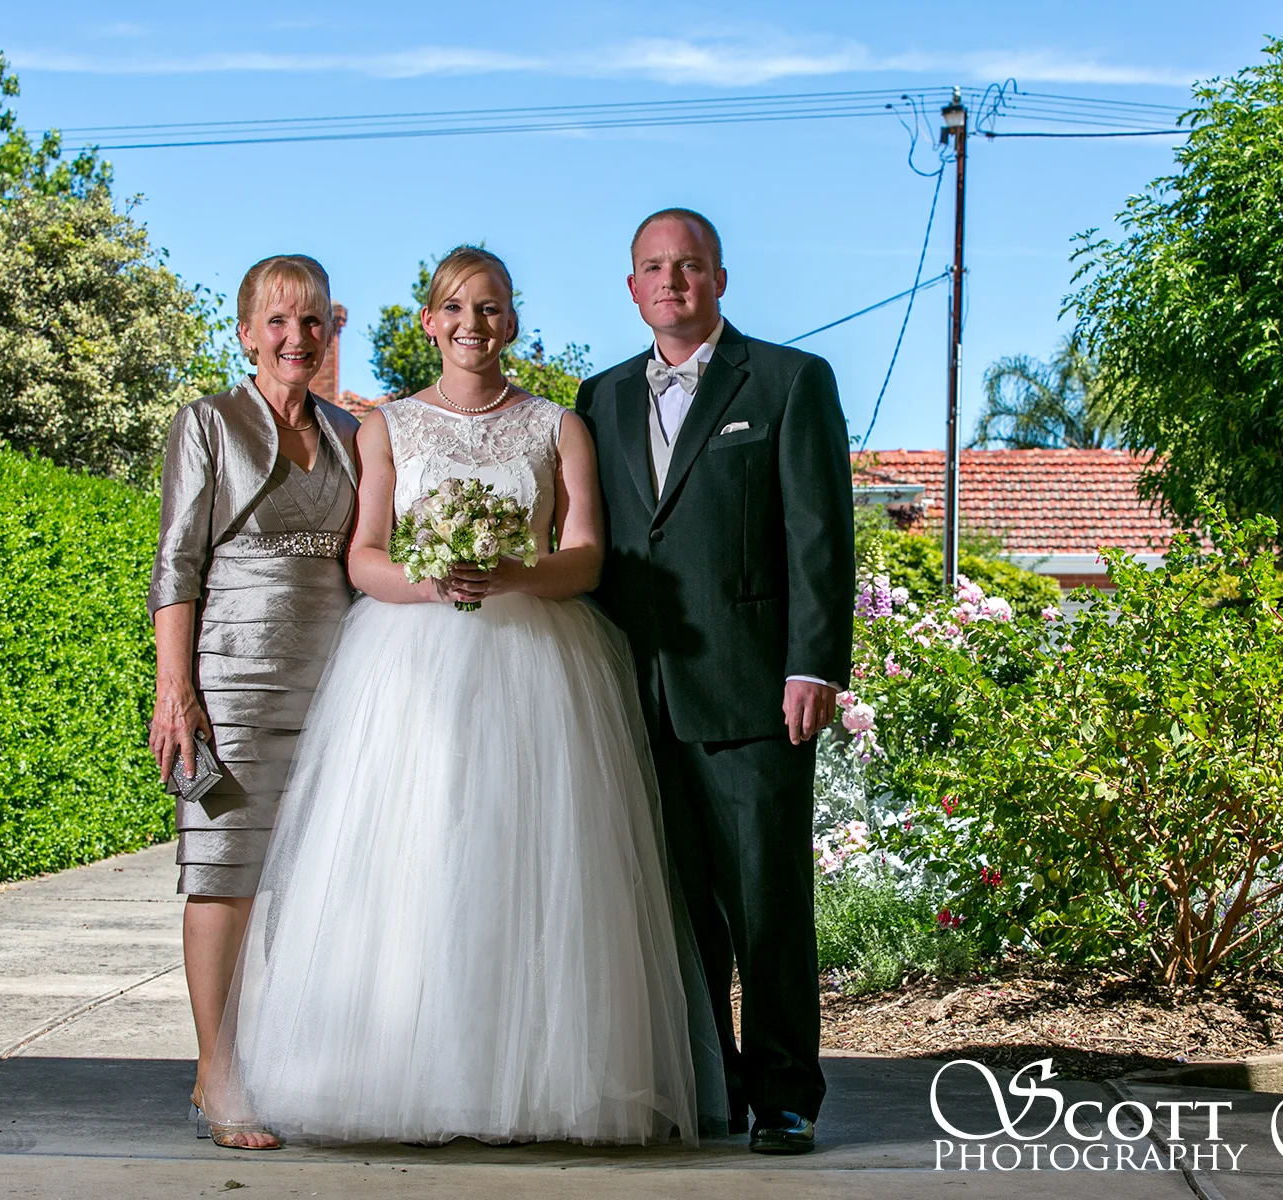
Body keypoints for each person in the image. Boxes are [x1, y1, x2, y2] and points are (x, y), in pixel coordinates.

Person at [200, 246, 699, 1146]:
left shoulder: (558, 426)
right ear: (430, 322)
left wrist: (516, 573)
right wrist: (430, 584)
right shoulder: (385, 428)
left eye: (492, 307)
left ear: (513, 322)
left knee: (527, 863)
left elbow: (586, 557)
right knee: (415, 859)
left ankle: (536, 1082)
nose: (475, 323)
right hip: (410, 662)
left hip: (538, 661)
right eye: (458, 308)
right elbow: (364, 557)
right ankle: (402, 1076)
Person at [574, 209, 856, 1154]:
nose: (672, 280)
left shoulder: (788, 381)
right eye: (654, 267)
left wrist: (812, 663)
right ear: (632, 289)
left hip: (753, 692)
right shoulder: (599, 397)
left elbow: (819, 534)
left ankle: (785, 1096)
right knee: (676, 911)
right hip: (633, 693)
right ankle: (710, 1087)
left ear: (719, 278)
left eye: (688, 264)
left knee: (766, 901)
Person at [148, 254, 359, 1151]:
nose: (295, 338)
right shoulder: (205, 422)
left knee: (313, 882)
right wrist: (175, 691)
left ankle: (296, 1062)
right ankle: (218, 1068)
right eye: (277, 321)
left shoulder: (352, 432)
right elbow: (176, 562)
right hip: (229, 681)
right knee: (223, 871)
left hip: (337, 680)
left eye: (311, 321)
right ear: (245, 333)